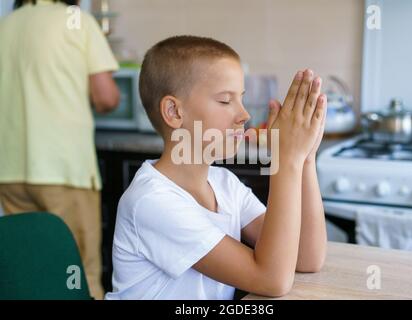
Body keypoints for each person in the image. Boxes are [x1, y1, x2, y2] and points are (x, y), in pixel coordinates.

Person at [105, 35, 327, 300]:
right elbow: (272, 280)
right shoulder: (151, 201)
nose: (244, 115)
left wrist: (305, 159)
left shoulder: (224, 184)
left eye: (241, 99)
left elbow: (307, 257)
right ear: (174, 112)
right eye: (225, 101)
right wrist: (284, 159)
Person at [0, 0, 120, 300]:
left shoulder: (7, 24)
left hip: (10, 170)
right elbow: (105, 97)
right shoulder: (76, 20)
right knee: (78, 273)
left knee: (32, 270)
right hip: (63, 168)